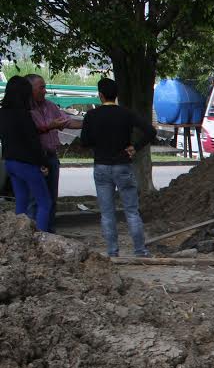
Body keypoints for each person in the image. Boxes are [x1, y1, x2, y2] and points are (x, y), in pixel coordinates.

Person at [79, 77, 155, 257]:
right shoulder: (126, 114)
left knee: (107, 213)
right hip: (122, 165)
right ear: (116, 95)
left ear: (100, 95)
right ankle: (140, 250)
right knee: (131, 210)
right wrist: (135, 147)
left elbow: (84, 142)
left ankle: (112, 252)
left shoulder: (91, 115)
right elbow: (151, 131)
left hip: (101, 166)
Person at [27, 73, 82, 231]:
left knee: (51, 198)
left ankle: (49, 233)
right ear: (29, 89)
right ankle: (33, 235)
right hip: (35, 160)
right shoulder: (25, 110)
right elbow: (27, 133)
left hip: (51, 158)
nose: (45, 91)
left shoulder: (50, 106)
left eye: (45, 87)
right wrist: (49, 126)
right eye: (41, 87)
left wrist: (90, 122)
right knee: (34, 200)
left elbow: (67, 121)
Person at [0, 75, 53, 230]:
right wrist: (44, 162)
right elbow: (33, 143)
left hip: (10, 162)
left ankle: (19, 236)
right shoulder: (23, 115)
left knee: (21, 202)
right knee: (44, 202)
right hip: (27, 164)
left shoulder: (2, 114)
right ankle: (42, 237)